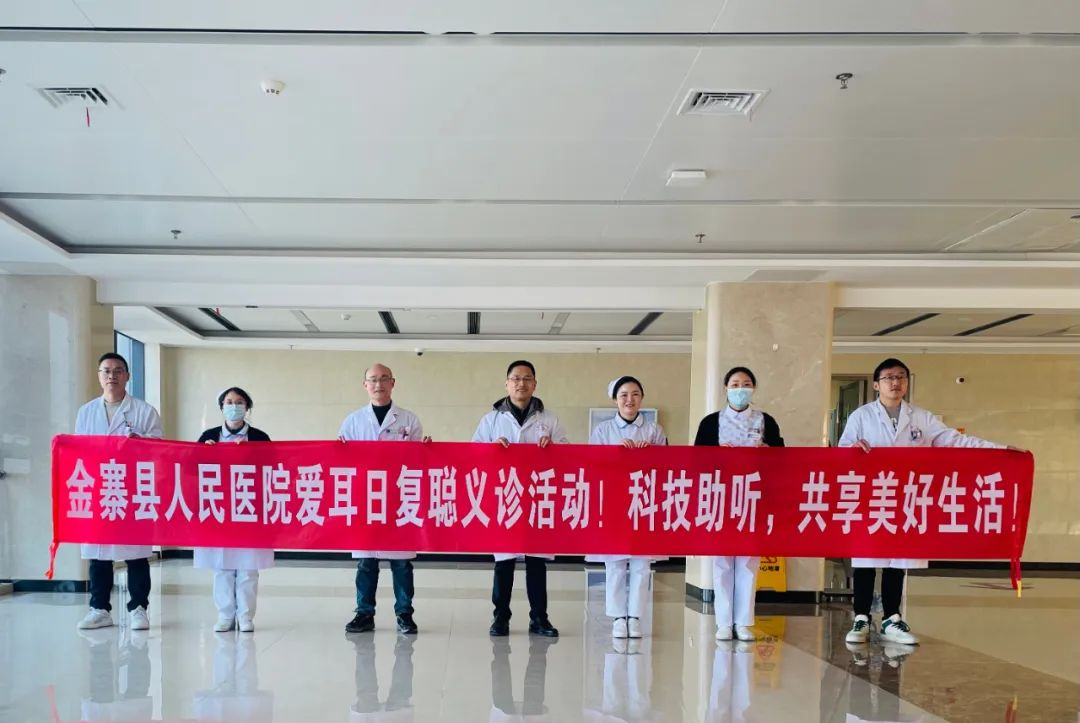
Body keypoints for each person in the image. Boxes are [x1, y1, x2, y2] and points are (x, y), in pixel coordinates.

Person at [839, 357, 1015, 647]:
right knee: (866, 557)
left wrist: (1000, 450)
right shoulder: (861, 416)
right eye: (888, 378)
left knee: (896, 559)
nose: (895, 383)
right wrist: (853, 449)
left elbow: (955, 441)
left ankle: (891, 618)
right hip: (871, 496)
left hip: (907, 496)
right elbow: (842, 451)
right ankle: (861, 618)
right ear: (876, 385)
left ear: (907, 382)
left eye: (901, 377)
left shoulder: (921, 417)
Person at [472, 360, 567, 638]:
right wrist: (491, 450)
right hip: (505, 497)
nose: (521, 383)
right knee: (504, 563)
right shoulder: (490, 420)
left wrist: (553, 449)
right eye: (515, 378)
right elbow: (473, 454)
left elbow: (567, 455)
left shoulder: (550, 420)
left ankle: (539, 618)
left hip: (538, 497)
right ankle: (500, 617)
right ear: (506, 384)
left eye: (527, 378)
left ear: (534, 384)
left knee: (537, 562)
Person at [694, 366, 784, 643]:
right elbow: (696, 460)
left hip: (754, 497)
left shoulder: (766, 421)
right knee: (722, 562)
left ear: (753, 388)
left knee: (747, 562)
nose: (740, 389)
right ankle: (723, 622)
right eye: (735, 384)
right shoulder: (711, 423)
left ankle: (743, 622)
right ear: (726, 389)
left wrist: (769, 452)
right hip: (720, 497)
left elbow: (783, 458)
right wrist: (716, 455)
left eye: (746, 384)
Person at [76, 352, 164, 631]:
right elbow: (79, 450)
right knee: (98, 552)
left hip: (133, 488)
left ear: (127, 376)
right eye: (106, 371)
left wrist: (141, 441)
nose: (111, 376)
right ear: (99, 376)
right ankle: (99, 608)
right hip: (99, 489)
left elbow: (160, 449)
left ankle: (139, 608)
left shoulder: (144, 411)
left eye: (117, 371)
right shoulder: (86, 412)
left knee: (136, 551)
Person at [339, 363, 427, 635]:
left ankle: (404, 614)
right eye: (373, 380)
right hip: (366, 500)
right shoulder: (353, 421)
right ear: (365, 385)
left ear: (393, 383)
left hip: (399, 499)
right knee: (367, 561)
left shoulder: (409, 420)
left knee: (401, 562)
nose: (378, 384)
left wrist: (427, 450)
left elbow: (419, 461)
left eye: (384, 379)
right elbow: (342, 462)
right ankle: (364, 613)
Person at [585, 376, 667, 640]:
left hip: (644, 503)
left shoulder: (654, 430)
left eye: (635, 394)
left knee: (642, 565)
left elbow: (667, 465)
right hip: (614, 503)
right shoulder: (603, 431)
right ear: (615, 400)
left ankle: (636, 617)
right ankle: (619, 617)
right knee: (615, 563)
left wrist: (651, 453)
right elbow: (593, 464)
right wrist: (616, 453)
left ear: (641, 398)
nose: (629, 400)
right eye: (623, 395)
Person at [194, 387, 274, 633]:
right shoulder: (209, 436)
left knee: (248, 566)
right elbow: (191, 469)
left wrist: (251, 454)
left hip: (249, 508)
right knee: (222, 566)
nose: (234, 406)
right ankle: (225, 614)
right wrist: (204, 454)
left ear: (247, 407)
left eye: (239, 402)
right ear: (221, 407)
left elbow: (272, 469)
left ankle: (246, 616)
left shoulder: (259, 437)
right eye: (229, 402)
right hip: (219, 509)